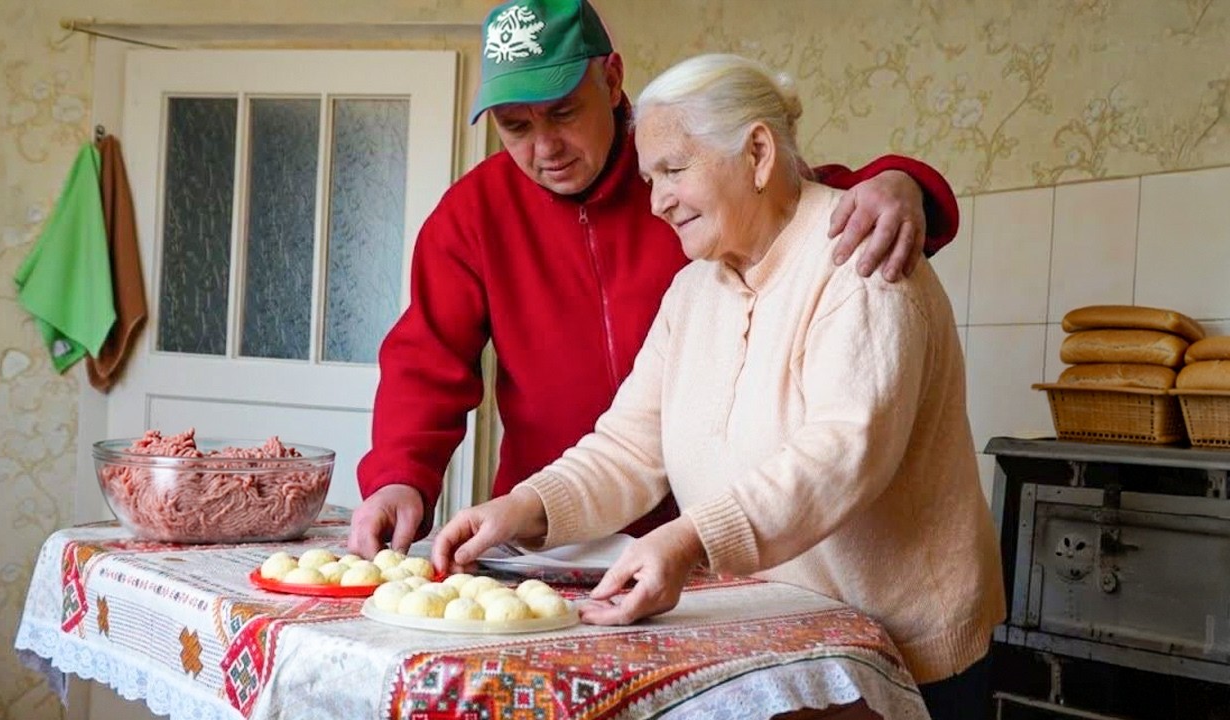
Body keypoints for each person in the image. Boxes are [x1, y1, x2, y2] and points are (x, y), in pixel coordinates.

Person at [430, 52, 1005, 720]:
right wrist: (522, 509)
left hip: (904, 654)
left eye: (675, 171)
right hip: (780, 641)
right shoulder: (692, 290)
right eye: (650, 179)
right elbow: (627, 447)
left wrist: (690, 540)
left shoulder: (860, 255)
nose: (658, 201)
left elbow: (842, 452)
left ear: (758, 153)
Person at [349, 0, 961, 558]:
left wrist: (903, 181)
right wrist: (399, 476)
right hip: (557, 519)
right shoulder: (474, 215)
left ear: (612, 80)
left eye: (563, 112)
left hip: (722, 534)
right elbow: (426, 360)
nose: (545, 148)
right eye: (516, 127)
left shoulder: (700, 179)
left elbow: (801, 205)